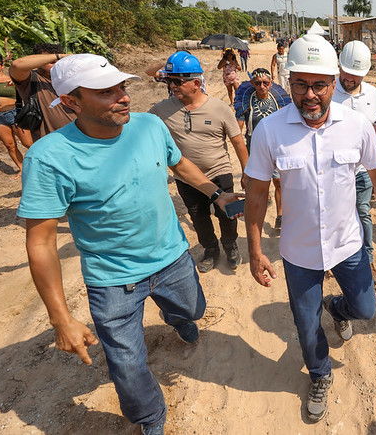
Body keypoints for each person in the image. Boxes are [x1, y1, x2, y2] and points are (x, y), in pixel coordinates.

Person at [18, 53, 240, 435]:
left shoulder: (150, 126)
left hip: (172, 257)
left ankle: (176, 315)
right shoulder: (49, 157)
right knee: (126, 363)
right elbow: (40, 243)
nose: (123, 97)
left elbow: (180, 163)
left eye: (122, 86)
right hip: (112, 281)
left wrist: (214, 192)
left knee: (194, 310)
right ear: (71, 101)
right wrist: (60, 318)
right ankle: (150, 418)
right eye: (106, 91)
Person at [244, 33, 376, 423]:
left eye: (319, 84)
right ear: (289, 82)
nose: (310, 94)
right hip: (298, 251)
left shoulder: (357, 125)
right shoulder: (270, 131)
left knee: (365, 309)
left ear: (335, 82)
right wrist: (254, 248)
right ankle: (319, 373)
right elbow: (257, 193)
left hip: (348, 243)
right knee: (304, 323)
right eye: (301, 84)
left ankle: (338, 307)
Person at [150, 51, 249, 272]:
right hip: (187, 178)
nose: (172, 86)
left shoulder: (219, 108)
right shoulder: (162, 110)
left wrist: (247, 173)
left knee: (227, 213)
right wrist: (166, 65)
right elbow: (141, 129)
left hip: (219, 170)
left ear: (196, 83)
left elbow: (238, 143)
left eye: (177, 81)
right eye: (169, 81)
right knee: (199, 217)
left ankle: (231, 245)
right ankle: (211, 250)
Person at [333, 40, 376, 283]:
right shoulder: (328, 92)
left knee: (363, 213)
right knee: (335, 214)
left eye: (355, 74)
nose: (349, 78)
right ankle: (332, 258)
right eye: (345, 72)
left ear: (365, 73)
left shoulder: (373, 95)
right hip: (333, 170)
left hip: (362, 170)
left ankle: (368, 260)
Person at [234, 68, 292, 230]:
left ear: (271, 83)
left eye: (265, 83)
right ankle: (257, 218)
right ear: (252, 83)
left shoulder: (278, 101)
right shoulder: (246, 102)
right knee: (256, 184)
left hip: (276, 147)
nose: (261, 86)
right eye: (258, 83)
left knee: (279, 181)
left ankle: (280, 215)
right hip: (254, 148)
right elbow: (237, 129)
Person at [8, 43, 76, 140]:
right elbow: (16, 65)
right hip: (51, 142)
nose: (57, 65)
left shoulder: (70, 79)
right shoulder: (32, 79)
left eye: (59, 61)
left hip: (80, 138)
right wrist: (60, 56)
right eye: (51, 62)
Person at [0, 51, 32, 175]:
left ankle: (47, 164)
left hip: (14, 114)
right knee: (9, 145)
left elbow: (29, 86)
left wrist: (17, 84)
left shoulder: (13, 80)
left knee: (28, 143)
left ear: (2, 66)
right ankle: (22, 169)